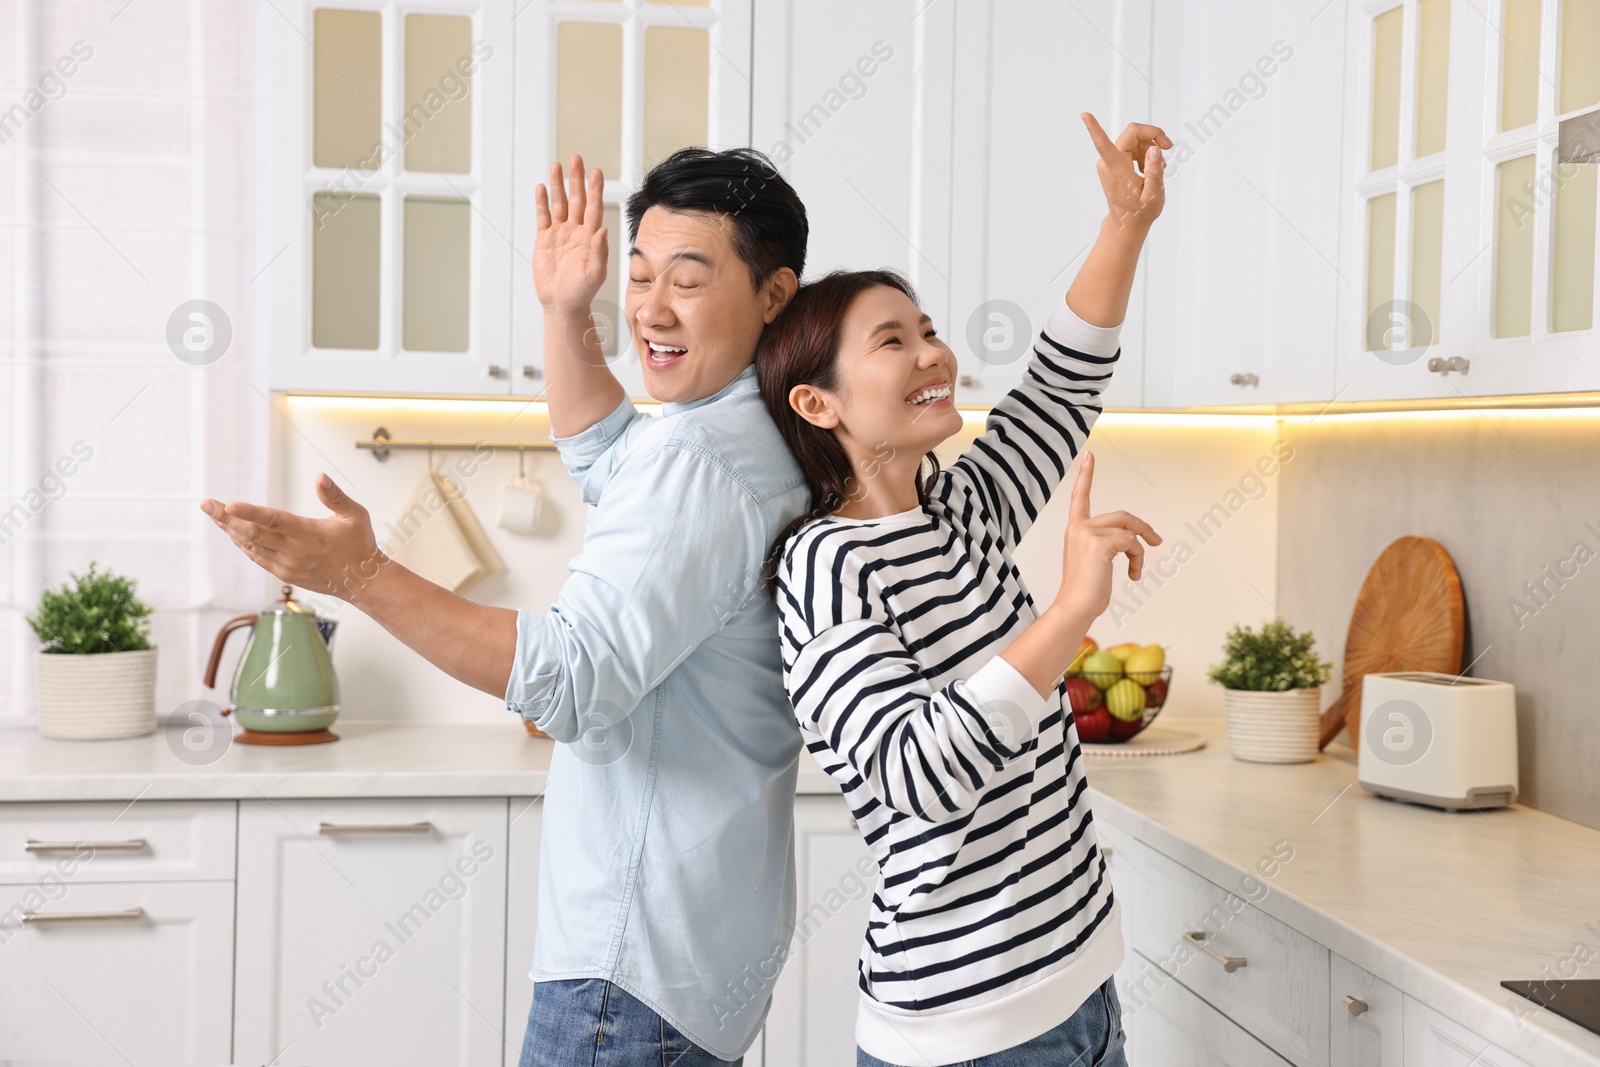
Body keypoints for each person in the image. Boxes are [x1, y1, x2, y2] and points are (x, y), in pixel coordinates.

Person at [201, 147, 813, 1064]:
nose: (648, 307)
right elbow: (610, 455)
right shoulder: (754, 428)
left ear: (775, 294)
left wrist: (363, 575)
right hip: (694, 956)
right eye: (638, 275)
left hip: (629, 967)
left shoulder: (700, 460)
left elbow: (569, 681)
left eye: (688, 280)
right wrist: (566, 312)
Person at [756, 114, 1169, 1067]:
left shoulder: (961, 506)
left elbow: (1061, 388)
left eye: (930, 330)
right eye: (893, 340)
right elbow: (917, 776)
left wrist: (1125, 226)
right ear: (819, 403)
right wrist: (1069, 613)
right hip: (970, 1032)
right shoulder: (826, 567)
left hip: (1082, 986)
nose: (933, 353)